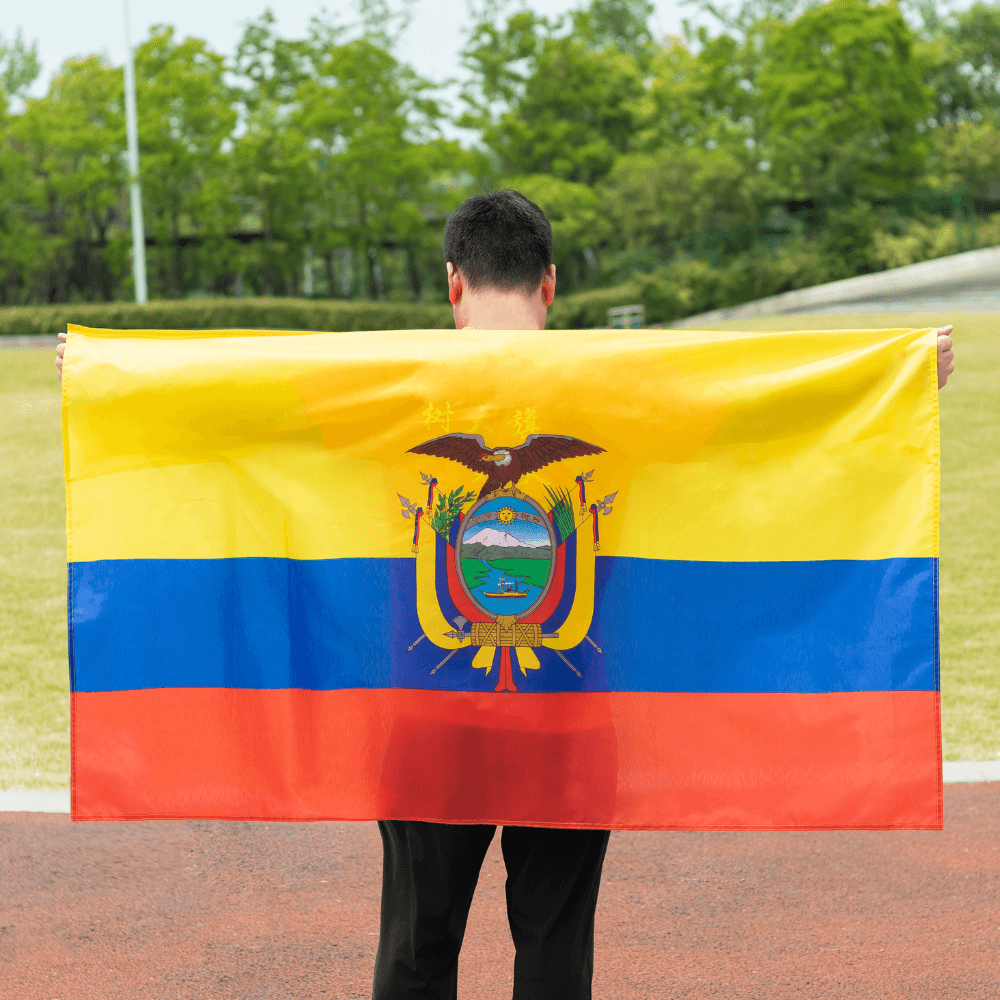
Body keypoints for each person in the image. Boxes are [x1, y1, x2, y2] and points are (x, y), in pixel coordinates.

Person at [54, 191, 958, 1000]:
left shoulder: (386, 387)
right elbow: (763, 410)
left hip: (428, 712)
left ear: (452, 282)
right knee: (555, 952)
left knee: (416, 951)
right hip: (569, 711)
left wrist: (106, 378)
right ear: (551, 283)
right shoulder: (620, 389)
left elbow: (242, 408)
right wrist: (896, 373)